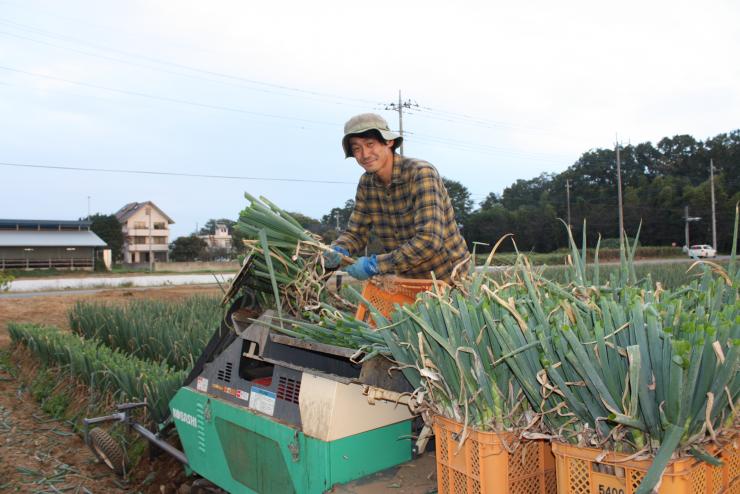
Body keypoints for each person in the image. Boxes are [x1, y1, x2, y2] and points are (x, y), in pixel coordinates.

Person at [324, 113, 469, 282]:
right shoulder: (366, 184)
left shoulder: (420, 173)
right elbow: (356, 233)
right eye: (357, 148)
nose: (364, 154)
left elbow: (429, 241)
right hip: (407, 281)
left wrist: (375, 265)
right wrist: (339, 249)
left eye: (370, 144)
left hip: (449, 279)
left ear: (389, 142)